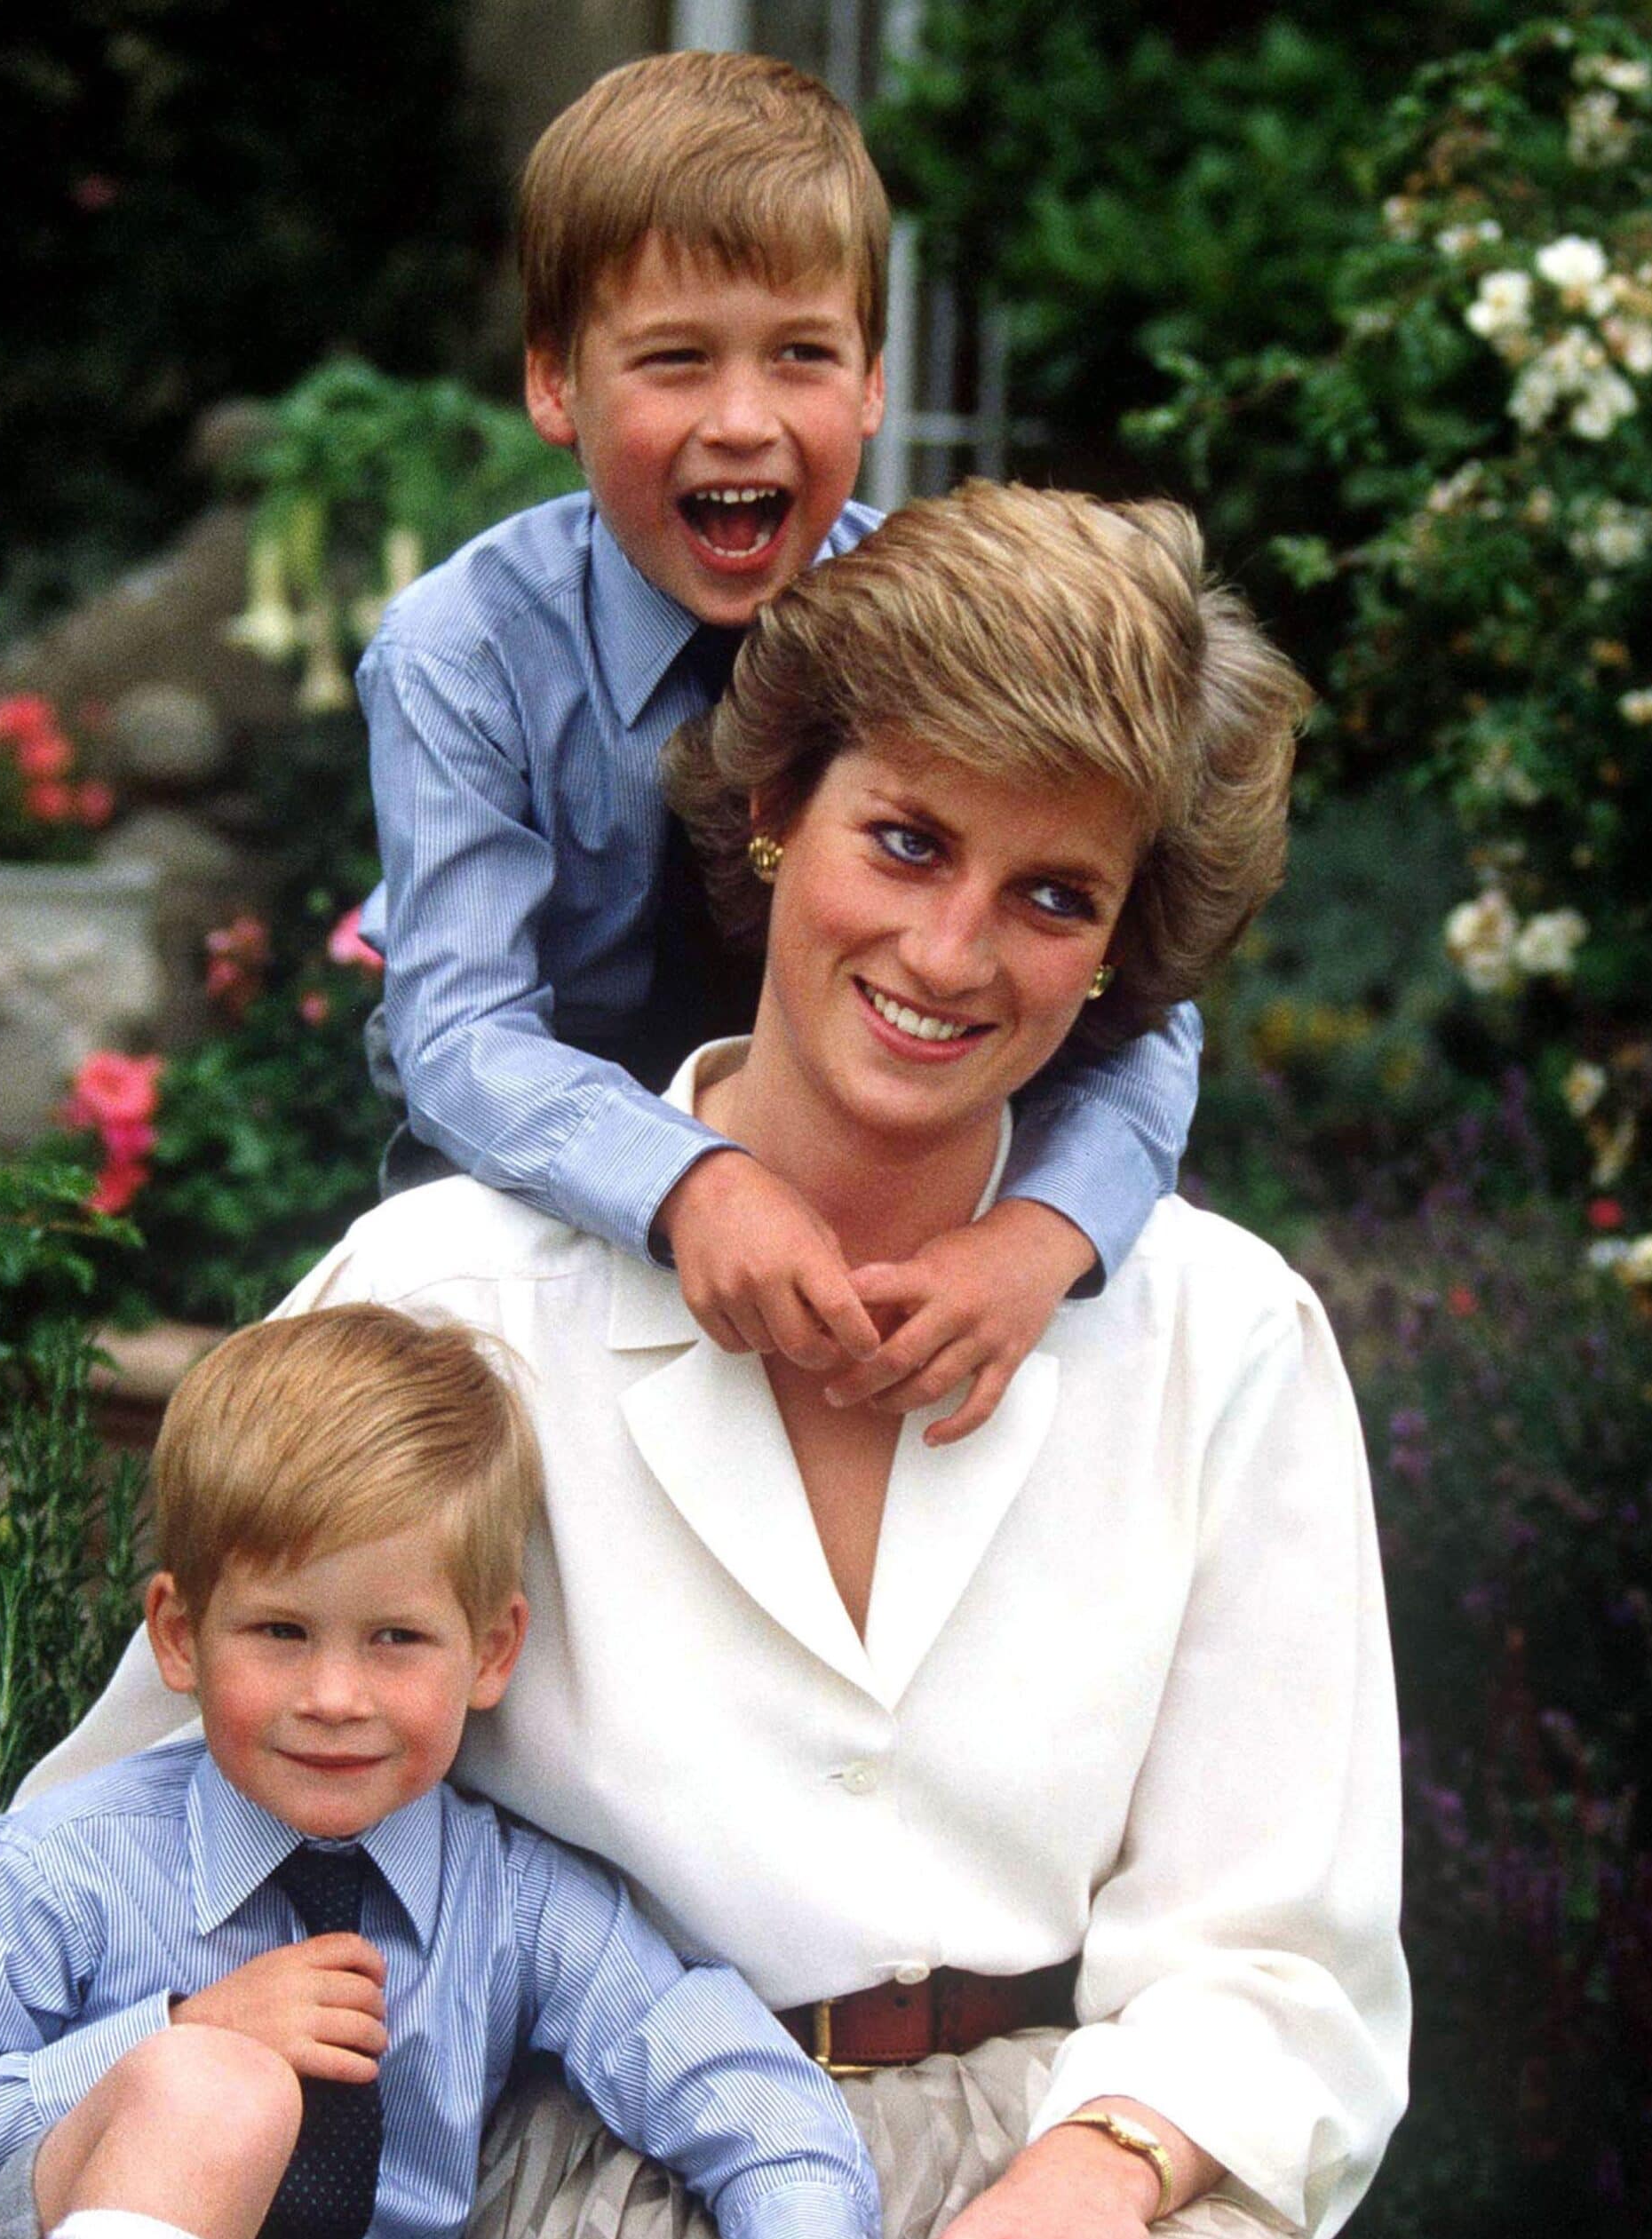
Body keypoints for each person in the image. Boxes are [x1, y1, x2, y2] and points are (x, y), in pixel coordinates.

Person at [0, 483, 1407, 2239]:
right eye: (903, 840)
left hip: (1065, 2157)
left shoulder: (1218, 1335)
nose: (951, 949)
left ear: (1123, 948)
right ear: (770, 820)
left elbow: (1280, 1935)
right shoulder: (457, 1292)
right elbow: (146, 1783)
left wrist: (1116, 2158)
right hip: (591, 2169)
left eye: (1052, 895)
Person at [359, 51, 1205, 1449]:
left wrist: (1044, 1237)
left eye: (802, 356)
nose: (742, 418)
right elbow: (457, 1034)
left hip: (882, 1198)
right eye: (676, 358)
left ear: (874, 386)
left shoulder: (941, 628)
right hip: (534, 1191)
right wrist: (688, 1180)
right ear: (555, 386)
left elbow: (1143, 1004)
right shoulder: (462, 651)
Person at [0, 1306, 880, 2239]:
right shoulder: (63, 1867)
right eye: (281, 1632)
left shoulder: (512, 1903)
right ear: (180, 1635)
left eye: (396, 1639)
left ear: (491, 1650)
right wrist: (175, 2033)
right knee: (211, 2090)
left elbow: (756, 2107)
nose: (335, 1697)